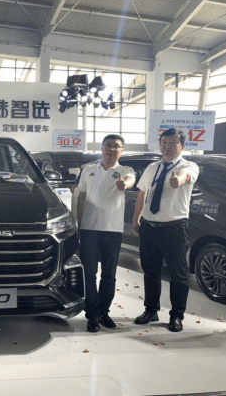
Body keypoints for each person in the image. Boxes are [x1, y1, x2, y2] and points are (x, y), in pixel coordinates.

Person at [132, 128, 199, 333]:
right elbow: (142, 194)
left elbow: (186, 176)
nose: (167, 147)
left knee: (178, 275)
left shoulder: (188, 166)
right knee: (150, 272)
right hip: (149, 227)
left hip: (174, 228)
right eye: (164, 143)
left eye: (173, 143)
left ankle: (176, 316)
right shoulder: (152, 167)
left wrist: (178, 180)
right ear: (160, 145)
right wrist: (136, 219)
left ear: (182, 146)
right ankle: (151, 310)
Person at [77, 134, 135, 333]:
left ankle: (104, 312)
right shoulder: (88, 170)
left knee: (109, 275)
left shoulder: (125, 171)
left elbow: (130, 181)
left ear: (121, 150)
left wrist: (124, 185)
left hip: (113, 230)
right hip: (89, 229)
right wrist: (79, 225)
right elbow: (81, 197)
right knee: (89, 273)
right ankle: (92, 315)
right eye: (108, 145)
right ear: (101, 148)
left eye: (116, 146)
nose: (111, 149)